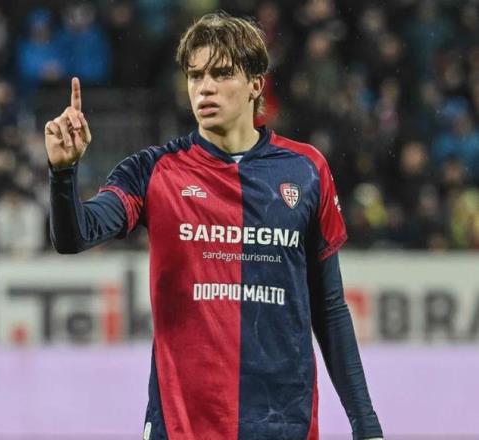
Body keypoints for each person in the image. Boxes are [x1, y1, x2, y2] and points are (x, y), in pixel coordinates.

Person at [45, 11, 383, 440]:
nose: (204, 87)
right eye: (195, 75)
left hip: (283, 424)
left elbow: (329, 308)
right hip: (181, 427)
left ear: (256, 84)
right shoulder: (152, 171)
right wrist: (63, 174)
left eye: (221, 74)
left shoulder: (306, 170)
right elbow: (75, 236)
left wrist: (365, 423)